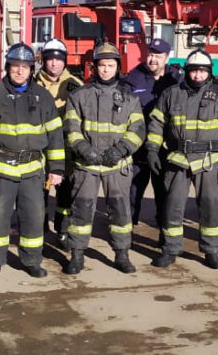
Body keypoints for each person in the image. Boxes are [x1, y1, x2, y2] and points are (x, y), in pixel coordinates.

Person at [0, 43, 64, 279]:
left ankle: (31, 260)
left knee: (33, 217)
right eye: (15, 66)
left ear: (31, 69)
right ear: (8, 67)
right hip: (0, 167)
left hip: (32, 170)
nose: (19, 71)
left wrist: (56, 168)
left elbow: (54, 134)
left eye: (25, 67)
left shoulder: (42, 96)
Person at [146, 49, 218, 269]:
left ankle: (211, 251)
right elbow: (156, 123)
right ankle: (171, 249)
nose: (197, 76)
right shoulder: (171, 94)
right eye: (193, 71)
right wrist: (152, 149)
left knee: (210, 207)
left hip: (208, 161)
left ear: (208, 72)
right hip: (177, 159)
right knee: (172, 206)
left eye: (202, 72)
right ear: (187, 72)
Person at [62, 42, 144, 275]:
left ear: (117, 67)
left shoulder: (129, 97)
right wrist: (83, 148)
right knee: (82, 210)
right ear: (94, 67)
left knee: (120, 211)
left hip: (117, 165)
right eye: (102, 65)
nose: (106, 69)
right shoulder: (79, 95)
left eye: (110, 65)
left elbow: (137, 129)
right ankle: (77, 255)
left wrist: (120, 150)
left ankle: (122, 254)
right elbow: (71, 127)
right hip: (86, 165)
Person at [123, 38, 181, 230]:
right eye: (150, 54)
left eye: (158, 56)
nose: (153, 59)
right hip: (139, 145)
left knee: (164, 189)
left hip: (164, 147)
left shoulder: (176, 79)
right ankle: (129, 226)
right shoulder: (134, 77)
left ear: (166, 57)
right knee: (133, 189)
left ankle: (164, 225)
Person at [34, 37, 83, 250]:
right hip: (39, 148)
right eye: (50, 59)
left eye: (58, 59)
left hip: (66, 150)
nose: (54, 63)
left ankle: (63, 232)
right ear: (43, 60)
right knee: (38, 194)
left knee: (65, 193)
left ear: (65, 61)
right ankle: (39, 231)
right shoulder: (32, 83)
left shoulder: (74, 85)